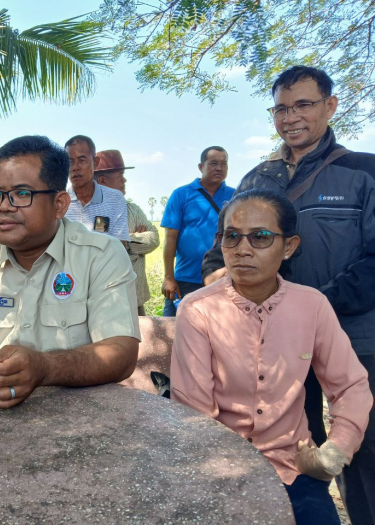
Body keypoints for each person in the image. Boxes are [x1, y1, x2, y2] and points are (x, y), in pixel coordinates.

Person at [201, 66, 375, 525]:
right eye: (281, 108)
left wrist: (313, 307)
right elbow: (223, 240)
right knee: (293, 442)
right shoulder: (258, 177)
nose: (290, 117)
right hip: (272, 338)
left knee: (361, 445)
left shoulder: (363, 171)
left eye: (303, 105)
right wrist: (216, 275)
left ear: (330, 106)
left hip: (356, 333)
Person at [172, 189, 372, 525]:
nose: (242, 249)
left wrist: (334, 452)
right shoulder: (198, 310)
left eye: (261, 237)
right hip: (219, 465)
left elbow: (350, 385)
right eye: (232, 236)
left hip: (294, 468)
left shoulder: (311, 305)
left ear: (289, 246)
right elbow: (196, 412)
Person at [0, 135, 141, 409]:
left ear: (59, 204)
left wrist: (46, 367)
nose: (4, 206)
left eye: (22, 194)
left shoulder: (101, 255)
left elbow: (121, 353)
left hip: (81, 419)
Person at [160, 146, 234, 316]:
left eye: (223, 164)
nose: (219, 168)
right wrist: (169, 277)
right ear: (201, 167)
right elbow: (170, 239)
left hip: (222, 278)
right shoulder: (181, 194)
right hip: (185, 279)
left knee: (218, 328)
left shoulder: (236, 195)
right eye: (213, 163)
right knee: (174, 327)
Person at [95, 149, 159, 315]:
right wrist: (134, 242)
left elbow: (153, 239)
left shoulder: (133, 209)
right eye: (120, 176)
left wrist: (123, 241)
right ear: (102, 181)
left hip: (135, 298)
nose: (124, 180)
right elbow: (102, 247)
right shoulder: (96, 212)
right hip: (105, 300)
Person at [64, 135, 130, 243]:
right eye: (70, 162)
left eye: (82, 160)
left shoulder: (115, 199)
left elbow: (119, 246)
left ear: (95, 162)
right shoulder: (59, 201)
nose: (75, 167)